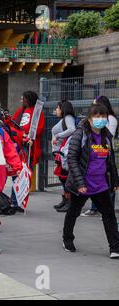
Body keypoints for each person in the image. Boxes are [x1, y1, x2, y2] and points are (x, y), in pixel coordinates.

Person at [63, 103, 119, 259]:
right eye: (97, 116)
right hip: (83, 185)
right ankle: (67, 239)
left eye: (103, 116)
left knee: (109, 216)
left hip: (101, 185)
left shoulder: (106, 136)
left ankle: (115, 247)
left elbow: (111, 160)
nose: (100, 119)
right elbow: (72, 158)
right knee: (73, 212)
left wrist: (114, 181)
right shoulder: (80, 134)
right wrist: (80, 183)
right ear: (89, 118)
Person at [5, 90, 44, 213]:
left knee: (24, 174)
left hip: (29, 147)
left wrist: (28, 136)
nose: (21, 101)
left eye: (24, 99)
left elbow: (38, 129)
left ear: (29, 99)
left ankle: (16, 200)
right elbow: (12, 124)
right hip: (18, 146)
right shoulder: (19, 111)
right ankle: (14, 201)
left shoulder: (37, 113)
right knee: (17, 173)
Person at [82, 95, 118, 217]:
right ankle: (95, 208)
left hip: (104, 155)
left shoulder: (111, 119)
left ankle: (108, 212)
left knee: (107, 186)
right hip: (95, 156)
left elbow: (109, 136)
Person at [52, 100, 76, 213]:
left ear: (63, 109)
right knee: (62, 178)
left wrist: (57, 135)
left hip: (65, 154)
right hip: (60, 153)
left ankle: (70, 202)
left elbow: (72, 129)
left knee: (64, 177)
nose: (56, 110)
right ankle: (65, 200)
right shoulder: (64, 119)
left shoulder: (68, 117)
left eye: (57, 108)